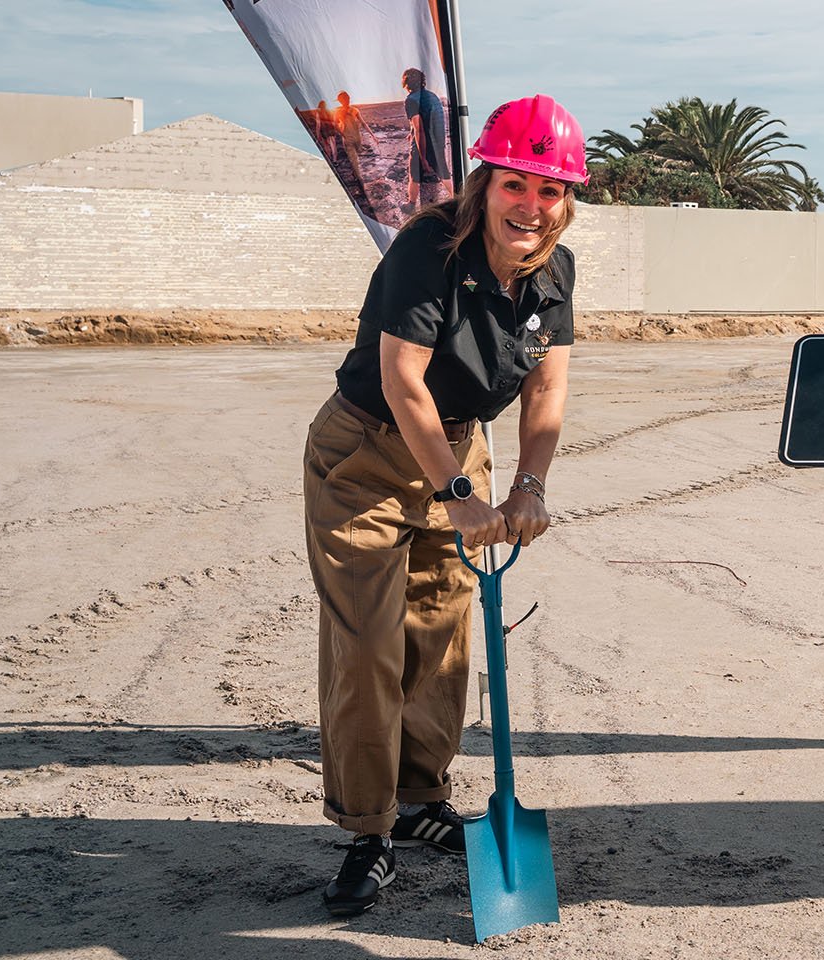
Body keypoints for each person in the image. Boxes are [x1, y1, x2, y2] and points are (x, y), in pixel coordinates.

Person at [305, 94, 590, 918]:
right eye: (515, 185)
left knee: (440, 629)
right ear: (484, 183)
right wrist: (462, 497)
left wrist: (529, 484)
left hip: (453, 442)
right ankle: (369, 830)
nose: (530, 207)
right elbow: (401, 380)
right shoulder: (429, 247)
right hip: (366, 449)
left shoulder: (554, 271)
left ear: (565, 200)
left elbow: (549, 384)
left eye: (548, 190)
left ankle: (422, 795)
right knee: (368, 640)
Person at [402, 67, 448, 212]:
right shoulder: (432, 96)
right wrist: (412, 133)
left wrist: (423, 158)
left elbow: (419, 128)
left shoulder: (411, 100)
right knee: (443, 172)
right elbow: (429, 119)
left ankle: (411, 204)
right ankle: (460, 198)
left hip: (423, 143)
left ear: (406, 83)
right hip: (439, 140)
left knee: (414, 174)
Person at [334, 90, 367, 185]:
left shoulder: (354, 110)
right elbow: (336, 124)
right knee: (353, 158)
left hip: (356, 137)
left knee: (355, 157)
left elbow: (363, 123)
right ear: (341, 101)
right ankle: (359, 179)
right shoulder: (339, 112)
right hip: (349, 138)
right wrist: (343, 134)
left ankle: (356, 175)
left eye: (347, 98)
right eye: (345, 99)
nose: (347, 100)